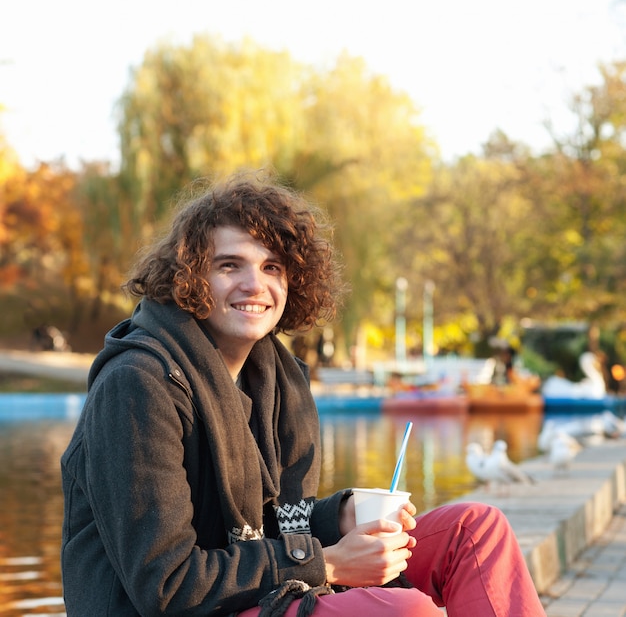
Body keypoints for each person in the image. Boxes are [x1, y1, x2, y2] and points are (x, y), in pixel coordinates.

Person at [60, 170, 546, 616]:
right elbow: (166, 585)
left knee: (474, 529)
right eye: (231, 265)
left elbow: (268, 522)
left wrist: (339, 516)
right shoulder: (138, 385)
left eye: (273, 267)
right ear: (191, 278)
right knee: (404, 612)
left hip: (256, 590)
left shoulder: (274, 378)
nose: (256, 284)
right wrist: (328, 565)